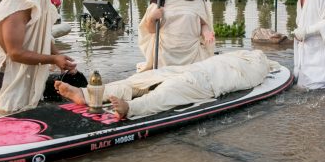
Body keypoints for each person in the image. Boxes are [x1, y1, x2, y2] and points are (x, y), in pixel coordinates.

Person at [54, 49, 280, 119]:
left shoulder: (257, 67)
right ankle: (85, 94)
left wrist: (265, 63)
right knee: (141, 79)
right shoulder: (247, 57)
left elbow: (254, 74)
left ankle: (131, 108)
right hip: (195, 70)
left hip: (208, 82)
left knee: (167, 92)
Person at [0, 0, 77, 112]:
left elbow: (43, 36)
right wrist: (53, 59)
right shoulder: (15, 13)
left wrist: (59, 56)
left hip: (25, 74)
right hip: (7, 79)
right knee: (6, 115)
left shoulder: (35, 8)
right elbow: (15, 53)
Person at [137, 0, 215, 71]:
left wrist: (206, 33)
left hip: (192, 56)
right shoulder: (161, 0)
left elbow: (203, 24)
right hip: (164, 56)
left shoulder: (198, 1)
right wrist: (152, 18)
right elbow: (150, 30)